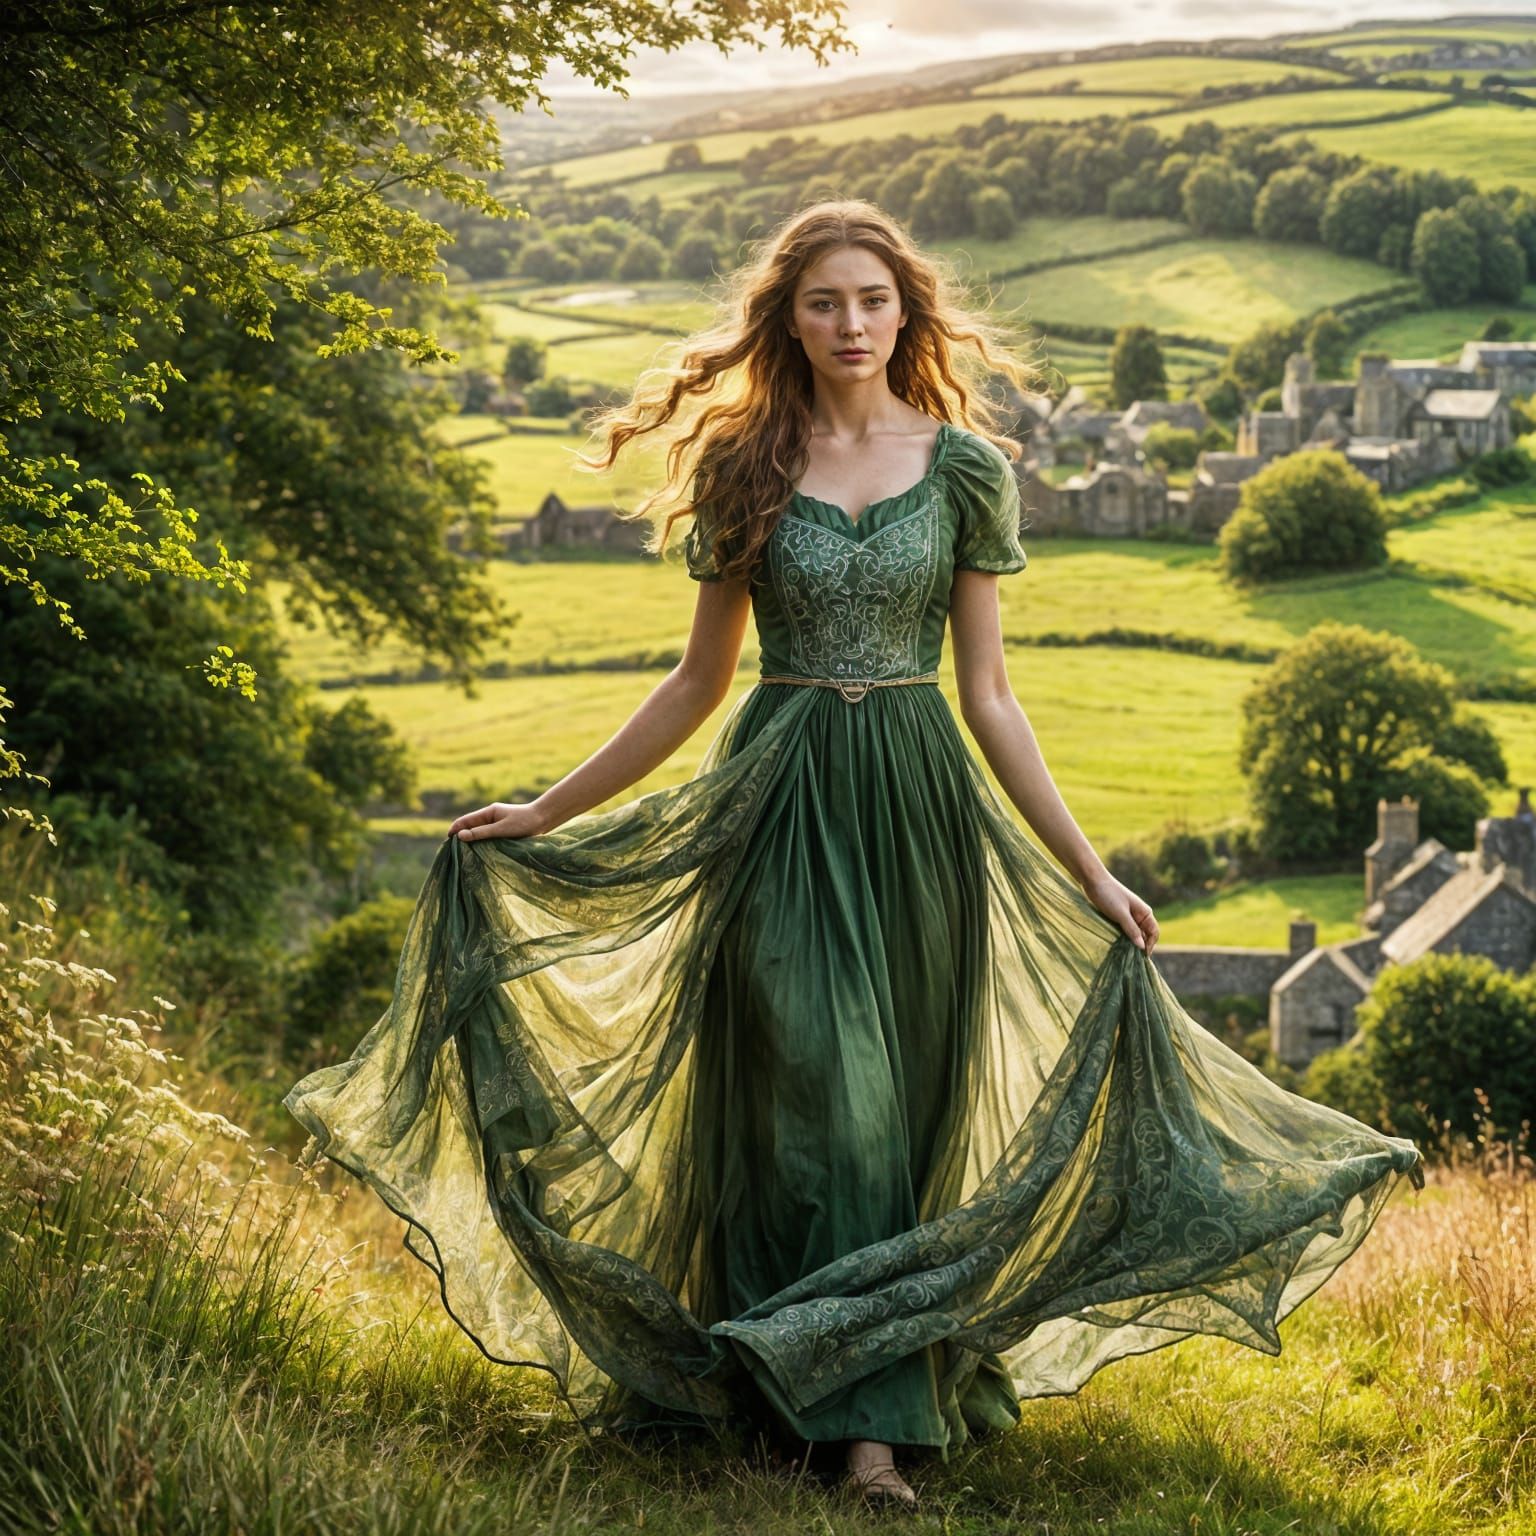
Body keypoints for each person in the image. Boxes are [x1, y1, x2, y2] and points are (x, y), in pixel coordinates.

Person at [284, 200, 1423, 1517]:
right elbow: (696, 683)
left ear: (907, 311)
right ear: (788, 316)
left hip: (920, 811)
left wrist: (1091, 869)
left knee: (896, 1112)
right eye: (823, 302)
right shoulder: (745, 468)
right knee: (807, 1099)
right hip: (774, 802)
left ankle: (873, 1434)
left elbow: (991, 695)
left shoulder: (967, 470)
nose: (849, 324)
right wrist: (544, 811)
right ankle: (799, 1399)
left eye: (871, 300)